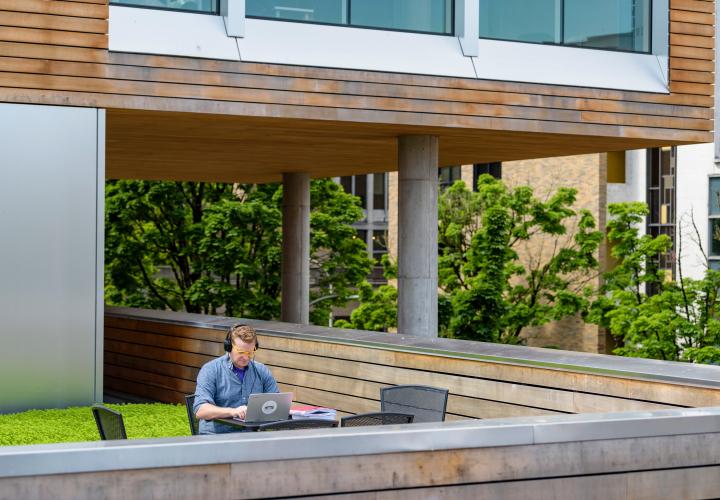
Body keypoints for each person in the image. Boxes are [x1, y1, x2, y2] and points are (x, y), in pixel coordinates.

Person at [193, 323, 279, 434]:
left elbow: (277, 404)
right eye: (241, 352)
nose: (246, 357)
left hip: (251, 439)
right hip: (217, 439)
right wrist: (233, 411)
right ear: (229, 347)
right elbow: (201, 410)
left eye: (250, 352)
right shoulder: (210, 370)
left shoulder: (261, 371)